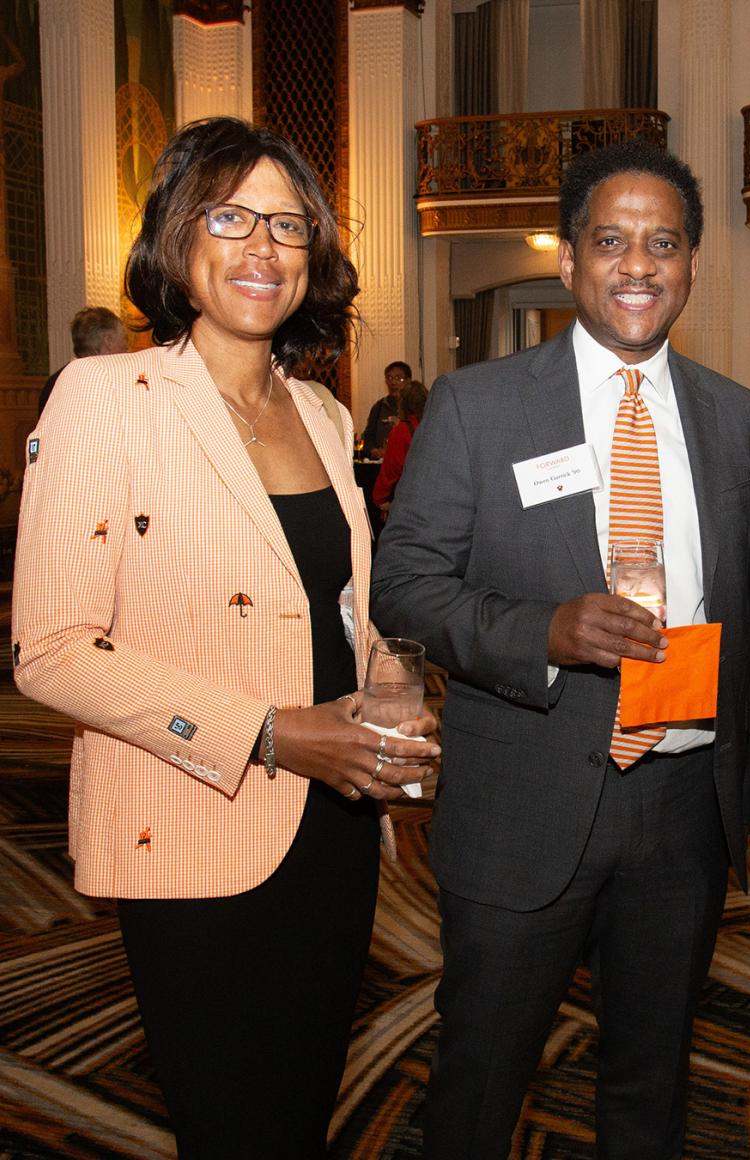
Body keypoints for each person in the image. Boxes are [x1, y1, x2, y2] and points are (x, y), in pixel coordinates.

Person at [12, 117, 440, 1159]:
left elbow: (338, 603)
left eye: (287, 226)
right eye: (230, 217)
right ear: (176, 235)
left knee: (302, 1105)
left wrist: (389, 693)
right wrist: (269, 732)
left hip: (335, 825)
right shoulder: (105, 398)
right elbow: (50, 651)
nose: (263, 247)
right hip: (193, 818)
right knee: (231, 1123)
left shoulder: (322, 413)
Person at [372, 139, 750, 1159]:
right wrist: (541, 633)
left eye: (663, 243)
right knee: (481, 1076)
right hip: (526, 799)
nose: (638, 264)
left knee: (652, 1080)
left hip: (682, 805)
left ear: (691, 264)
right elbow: (403, 586)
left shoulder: (734, 416)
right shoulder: (478, 405)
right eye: (610, 240)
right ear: (567, 258)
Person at [38, 305, 129, 414]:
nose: (127, 347)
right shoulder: (106, 384)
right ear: (108, 341)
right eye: (125, 338)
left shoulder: (54, 382)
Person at [372, 378, 426, 512]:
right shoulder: (434, 425)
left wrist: (380, 498)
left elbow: (392, 467)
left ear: (403, 403)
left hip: (408, 498)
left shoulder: (402, 430)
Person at [361, 358, 411, 456]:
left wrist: (401, 426)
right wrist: (373, 450)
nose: (393, 383)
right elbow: (368, 436)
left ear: (408, 381)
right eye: (390, 378)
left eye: (399, 378)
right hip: (383, 461)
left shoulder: (414, 406)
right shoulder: (379, 406)